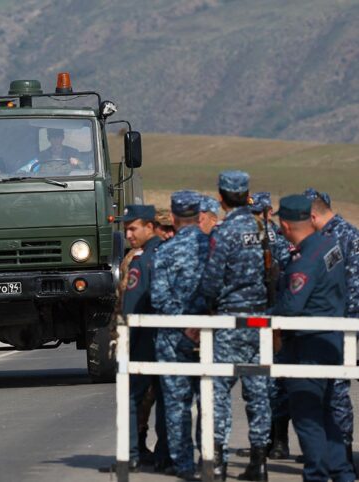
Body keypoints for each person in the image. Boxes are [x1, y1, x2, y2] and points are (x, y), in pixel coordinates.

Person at [272, 194, 355, 482]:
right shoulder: (328, 243)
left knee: (307, 418)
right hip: (330, 339)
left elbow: (290, 307)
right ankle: (342, 473)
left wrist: (266, 314)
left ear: (285, 224)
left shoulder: (305, 260)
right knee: (327, 414)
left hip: (308, 345)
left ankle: (317, 476)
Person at [199, 170, 270, 481]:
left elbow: (213, 278)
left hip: (230, 316)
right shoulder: (262, 227)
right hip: (259, 317)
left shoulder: (224, 232)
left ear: (222, 196)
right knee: (258, 389)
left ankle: (218, 462)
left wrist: (205, 304)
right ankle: (260, 462)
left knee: (218, 390)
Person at [151, 190, 209, 481]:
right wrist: (199, 325)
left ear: (173, 218)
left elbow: (159, 297)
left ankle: (183, 465)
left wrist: (184, 324)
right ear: (199, 217)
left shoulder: (165, 251)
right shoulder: (213, 247)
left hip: (173, 338)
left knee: (176, 403)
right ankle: (210, 460)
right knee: (210, 399)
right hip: (210, 335)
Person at [304, 188, 359, 475]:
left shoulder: (345, 236)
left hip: (342, 325)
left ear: (313, 215)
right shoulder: (335, 235)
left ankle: (343, 455)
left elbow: (354, 290)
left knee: (336, 391)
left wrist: (340, 327)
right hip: (335, 323)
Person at [119, 205, 169, 472]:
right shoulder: (168, 252)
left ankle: (131, 454)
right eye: (126, 229)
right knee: (166, 396)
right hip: (170, 338)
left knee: (133, 397)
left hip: (144, 339)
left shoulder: (141, 260)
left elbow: (132, 307)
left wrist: (125, 341)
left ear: (150, 227)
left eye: (133, 228)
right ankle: (165, 454)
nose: (128, 234)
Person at [247, 191, 294, 460]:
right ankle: (263, 440)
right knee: (257, 382)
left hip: (271, 315)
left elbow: (286, 274)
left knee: (274, 383)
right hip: (254, 314)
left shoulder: (275, 239)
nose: (256, 218)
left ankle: (279, 439)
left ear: (267, 213)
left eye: (259, 213)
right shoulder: (248, 238)